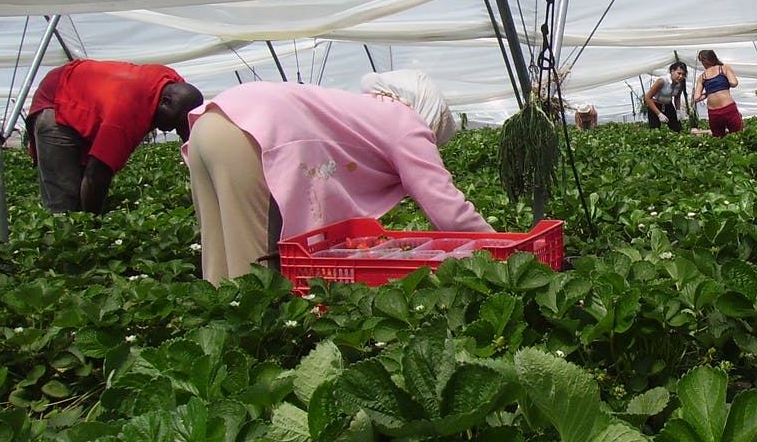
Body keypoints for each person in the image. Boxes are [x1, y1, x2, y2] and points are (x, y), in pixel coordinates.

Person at [184, 70, 493, 284]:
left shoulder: (368, 110)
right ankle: (248, 366)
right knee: (253, 273)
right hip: (250, 134)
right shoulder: (407, 123)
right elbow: (448, 211)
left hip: (210, 122)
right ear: (431, 115)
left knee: (218, 263)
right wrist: (501, 248)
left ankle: (214, 346)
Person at [26, 60, 203, 213]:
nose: (172, 128)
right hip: (56, 100)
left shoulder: (174, 85)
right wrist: (93, 226)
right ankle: (67, 240)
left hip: (84, 94)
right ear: (165, 102)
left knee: (81, 189)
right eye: (174, 122)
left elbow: (186, 130)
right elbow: (96, 174)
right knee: (65, 195)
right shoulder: (125, 114)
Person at [692, 50, 743, 137]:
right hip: (728, 108)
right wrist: (721, 86)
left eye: (702, 61)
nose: (703, 64)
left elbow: (696, 97)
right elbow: (734, 83)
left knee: (718, 137)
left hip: (714, 112)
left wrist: (709, 92)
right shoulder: (724, 68)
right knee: (738, 135)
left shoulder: (702, 77)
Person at [645, 61, 688, 131]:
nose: (681, 76)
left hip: (668, 105)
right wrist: (659, 114)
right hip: (655, 105)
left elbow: (677, 97)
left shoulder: (680, 83)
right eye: (679, 73)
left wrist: (678, 111)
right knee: (655, 130)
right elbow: (647, 98)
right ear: (672, 71)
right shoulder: (662, 81)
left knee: (677, 128)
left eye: (683, 74)